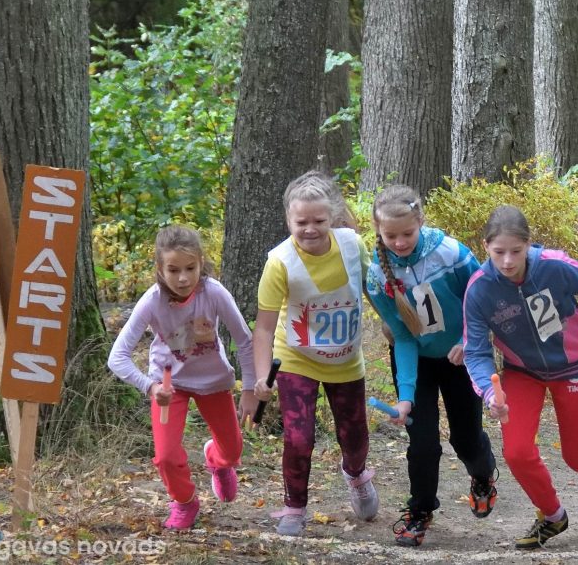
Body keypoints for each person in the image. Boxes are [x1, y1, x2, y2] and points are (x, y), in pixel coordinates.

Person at [463, 205, 578, 550]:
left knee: (575, 455)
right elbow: (475, 351)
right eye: (498, 252)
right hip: (522, 373)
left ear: (529, 244)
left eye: (516, 251)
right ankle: (552, 515)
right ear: (485, 246)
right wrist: (490, 393)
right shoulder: (479, 289)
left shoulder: (554, 265)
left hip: (573, 368)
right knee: (517, 452)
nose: (507, 261)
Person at [365, 185, 497, 547]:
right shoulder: (377, 276)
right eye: (390, 235)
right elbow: (403, 337)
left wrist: (469, 341)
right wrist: (405, 397)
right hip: (417, 362)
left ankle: (483, 474)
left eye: (407, 233)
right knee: (422, 443)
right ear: (378, 231)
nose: (399, 242)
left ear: (421, 221)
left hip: (460, 357)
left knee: (465, 439)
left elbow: (482, 299)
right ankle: (420, 511)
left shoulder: (451, 253)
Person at [250, 171, 377, 536]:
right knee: (299, 436)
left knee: (355, 437)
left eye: (319, 221)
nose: (309, 229)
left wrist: (393, 324)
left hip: (345, 359)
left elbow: (373, 290)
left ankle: (356, 475)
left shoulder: (352, 245)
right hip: (296, 358)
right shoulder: (279, 262)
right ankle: (294, 507)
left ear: (332, 217)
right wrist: (262, 376)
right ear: (288, 219)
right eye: (301, 222)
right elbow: (263, 327)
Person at [107, 225, 256, 530]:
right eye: (173, 270)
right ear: (160, 269)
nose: (183, 278)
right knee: (165, 456)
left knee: (232, 450)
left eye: (190, 268)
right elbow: (117, 356)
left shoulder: (214, 293)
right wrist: (150, 387)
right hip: (168, 386)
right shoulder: (152, 300)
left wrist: (250, 389)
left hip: (213, 382)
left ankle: (217, 461)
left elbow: (245, 341)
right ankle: (185, 501)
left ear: (201, 263)